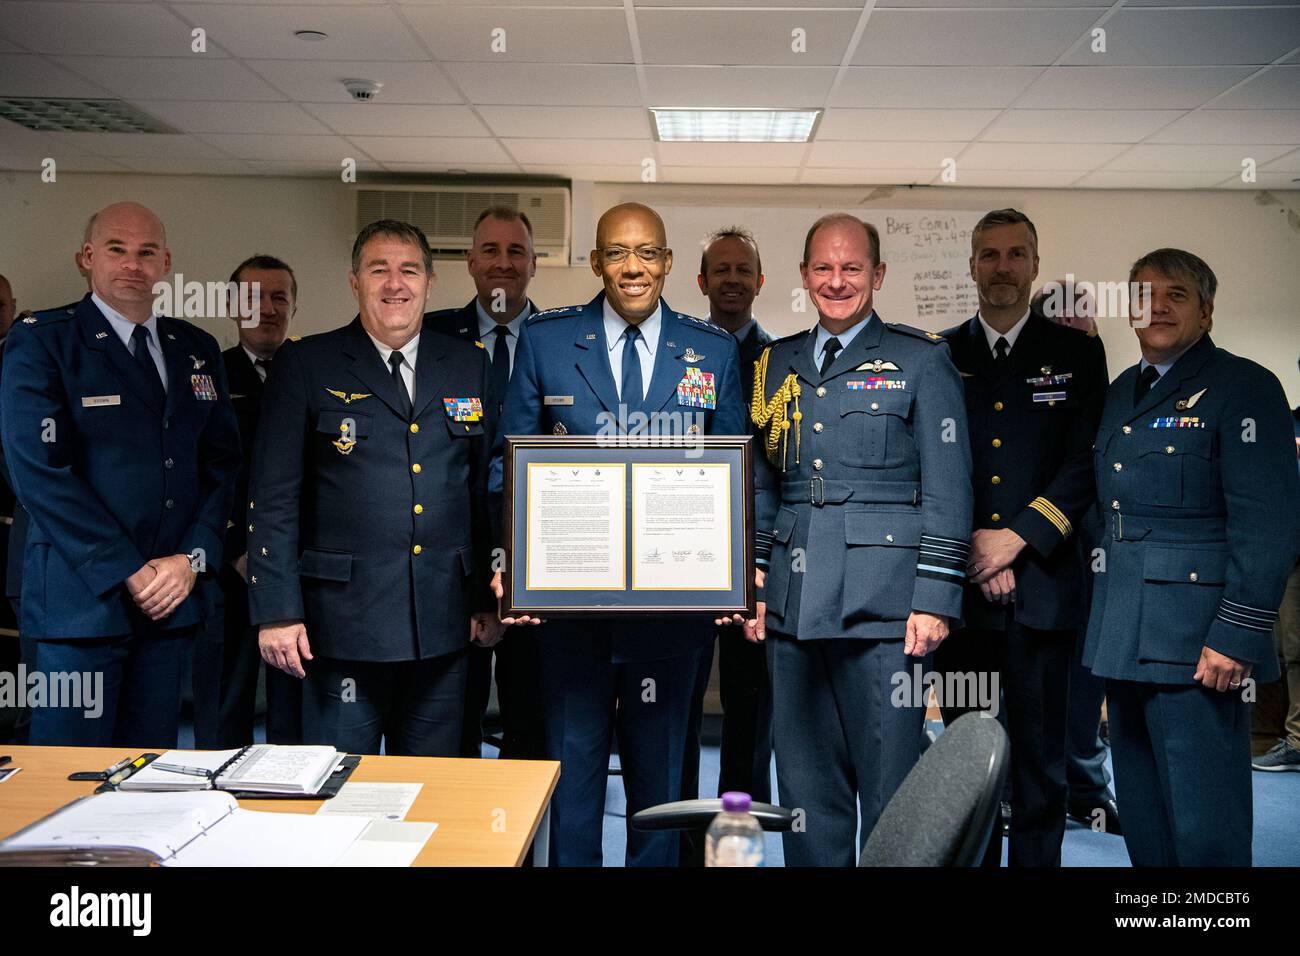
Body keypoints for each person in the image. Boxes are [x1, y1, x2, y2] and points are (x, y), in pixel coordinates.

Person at [492, 202, 748, 866]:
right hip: (569, 609)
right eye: (616, 252)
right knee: (572, 782)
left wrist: (739, 563)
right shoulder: (547, 342)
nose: (632, 266)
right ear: (598, 260)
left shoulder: (713, 350)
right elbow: (505, 465)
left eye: (647, 253)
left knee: (661, 789)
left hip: (672, 611)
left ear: (665, 262)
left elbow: (740, 473)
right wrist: (511, 556)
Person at [751, 213, 972, 866]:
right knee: (803, 790)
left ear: (877, 275)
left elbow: (949, 487)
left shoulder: (922, 359)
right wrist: (755, 576)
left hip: (886, 606)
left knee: (891, 788)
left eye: (852, 268)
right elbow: (765, 479)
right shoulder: (775, 362)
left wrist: (935, 596)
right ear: (802, 276)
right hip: (791, 600)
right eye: (823, 267)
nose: (837, 281)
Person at [248, 220, 500, 757]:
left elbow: (481, 491)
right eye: (378, 269)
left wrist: (486, 598)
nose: (395, 283)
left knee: (434, 792)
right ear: (354, 281)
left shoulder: (466, 363)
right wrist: (276, 609)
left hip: (442, 625)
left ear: (430, 281)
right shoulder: (307, 363)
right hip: (338, 629)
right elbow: (273, 497)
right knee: (335, 793)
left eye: (409, 269)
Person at [1083, 248, 1300, 865]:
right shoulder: (1124, 391)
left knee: (1205, 819)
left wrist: (1236, 635)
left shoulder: (1245, 387)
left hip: (1200, 641)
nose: (1158, 307)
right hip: (1124, 632)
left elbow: (1269, 526)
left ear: (1206, 310)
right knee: (1145, 814)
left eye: (1175, 294)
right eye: (1145, 295)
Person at [0, 201, 240, 747]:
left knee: (147, 771)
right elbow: (39, 472)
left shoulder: (195, 349)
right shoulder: (42, 340)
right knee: (65, 779)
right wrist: (127, 569)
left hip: (167, 600)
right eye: (116, 249)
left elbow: (220, 465)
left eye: (146, 252)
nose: (132, 264)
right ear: (87, 257)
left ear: (165, 263)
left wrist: (190, 559)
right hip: (80, 603)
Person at [935, 215, 1108, 867]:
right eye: (989, 255)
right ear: (972, 265)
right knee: (970, 760)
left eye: (1016, 255)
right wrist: (981, 546)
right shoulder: (941, 353)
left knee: (1040, 763)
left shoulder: (1075, 355)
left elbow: (1085, 460)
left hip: (1044, 594)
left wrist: (1018, 540)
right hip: (964, 600)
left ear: (1035, 265)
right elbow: (934, 464)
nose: (1002, 266)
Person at [425, 207, 544, 761]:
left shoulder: (561, 340)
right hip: (452, 570)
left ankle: (520, 847)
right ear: (470, 261)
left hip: (537, 571)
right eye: (491, 251)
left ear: (534, 264)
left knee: (531, 729)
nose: (503, 263)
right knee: (449, 732)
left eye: (516, 251)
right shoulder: (431, 338)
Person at [680, 227, 774, 865]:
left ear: (762, 283)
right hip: (684, 557)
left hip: (756, 565)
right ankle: (686, 843)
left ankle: (736, 844)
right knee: (678, 709)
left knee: (749, 714)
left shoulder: (784, 360)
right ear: (702, 282)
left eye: (744, 270)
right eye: (721, 270)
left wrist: (760, 558)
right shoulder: (682, 354)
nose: (732, 279)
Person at [192, 255, 303, 748]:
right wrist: (238, 547)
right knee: (225, 697)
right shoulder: (206, 372)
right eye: (254, 297)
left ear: (294, 306)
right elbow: (202, 473)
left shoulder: (312, 370)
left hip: (295, 566)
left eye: (280, 297)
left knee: (295, 695)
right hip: (229, 564)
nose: (268, 308)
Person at [1030, 281, 1122, 831]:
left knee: (1087, 685)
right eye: (1062, 319)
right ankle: (1024, 791)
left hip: (1096, 555)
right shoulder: (1026, 379)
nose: (1076, 326)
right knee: (1028, 686)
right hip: (1035, 549)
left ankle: (1088, 789)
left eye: (1082, 318)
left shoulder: (1109, 382)